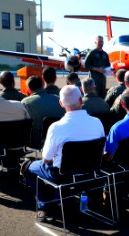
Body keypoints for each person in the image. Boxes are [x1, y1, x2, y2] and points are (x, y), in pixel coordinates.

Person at [24, 85, 105, 221]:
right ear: (81, 100)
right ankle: (59, 198)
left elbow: (46, 159)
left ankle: (46, 204)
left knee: (28, 168)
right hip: (90, 172)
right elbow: (101, 150)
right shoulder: (97, 122)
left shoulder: (57, 127)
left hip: (63, 175)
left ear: (61, 103)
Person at [21, 76, 65, 148]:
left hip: (37, 141)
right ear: (43, 85)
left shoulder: (25, 102)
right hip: (59, 138)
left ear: (29, 89)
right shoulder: (58, 99)